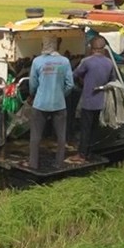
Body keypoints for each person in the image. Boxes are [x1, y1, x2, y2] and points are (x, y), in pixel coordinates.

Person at [27, 34, 74, 169]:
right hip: (59, 104)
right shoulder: (65, 61)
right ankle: (59, 163)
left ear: (42, 46)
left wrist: (33, 94)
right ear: (57, 46)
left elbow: (33, 83)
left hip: (40, 103)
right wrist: (61, 94)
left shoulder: (37, 61)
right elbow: (70, 84)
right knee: (61, 137)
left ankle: (33, 164)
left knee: (35, 137)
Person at [68, 35, 117, 164]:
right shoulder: (109, 63)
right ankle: (91, 152)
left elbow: (75, 74)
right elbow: (113, 80)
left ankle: (82, 154)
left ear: (92, 48)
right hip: (101, 102)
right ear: (103, 49)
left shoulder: (87, 61)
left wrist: (82, 80)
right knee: (94, 128)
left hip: (88, 101)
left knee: (85, 128)